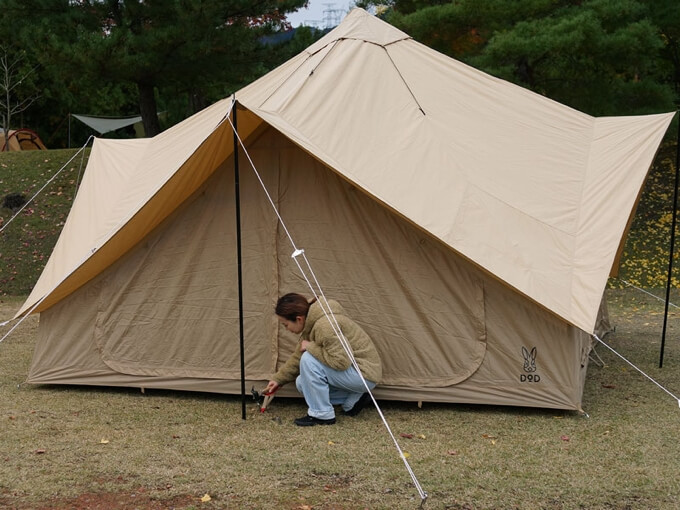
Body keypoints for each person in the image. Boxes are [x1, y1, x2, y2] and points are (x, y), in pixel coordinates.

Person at [263, 293, 382, 426]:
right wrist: (278, 380)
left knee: (308, 359)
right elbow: (298, 356)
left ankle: (322, 414)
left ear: (299, 319)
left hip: (364, 374)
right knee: (302, 382)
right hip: (356, 374)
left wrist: (310, 347)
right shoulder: (311, 323)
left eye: (286, 325)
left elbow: (341, 362)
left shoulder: (325, 326)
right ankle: (353, 400)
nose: (287, 329)